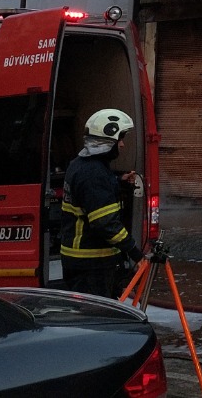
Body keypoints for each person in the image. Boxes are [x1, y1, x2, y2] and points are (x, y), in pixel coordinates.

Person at [58, 108, 144, 299]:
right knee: (94, 321)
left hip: (81, 261)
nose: (122, 145)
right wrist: (134, 251)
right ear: (106, 142)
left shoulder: (80, 164)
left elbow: (89, 193)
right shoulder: (94, 175)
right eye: (119, 139)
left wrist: (117, 180)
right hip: (92, 263)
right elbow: (105, 223)